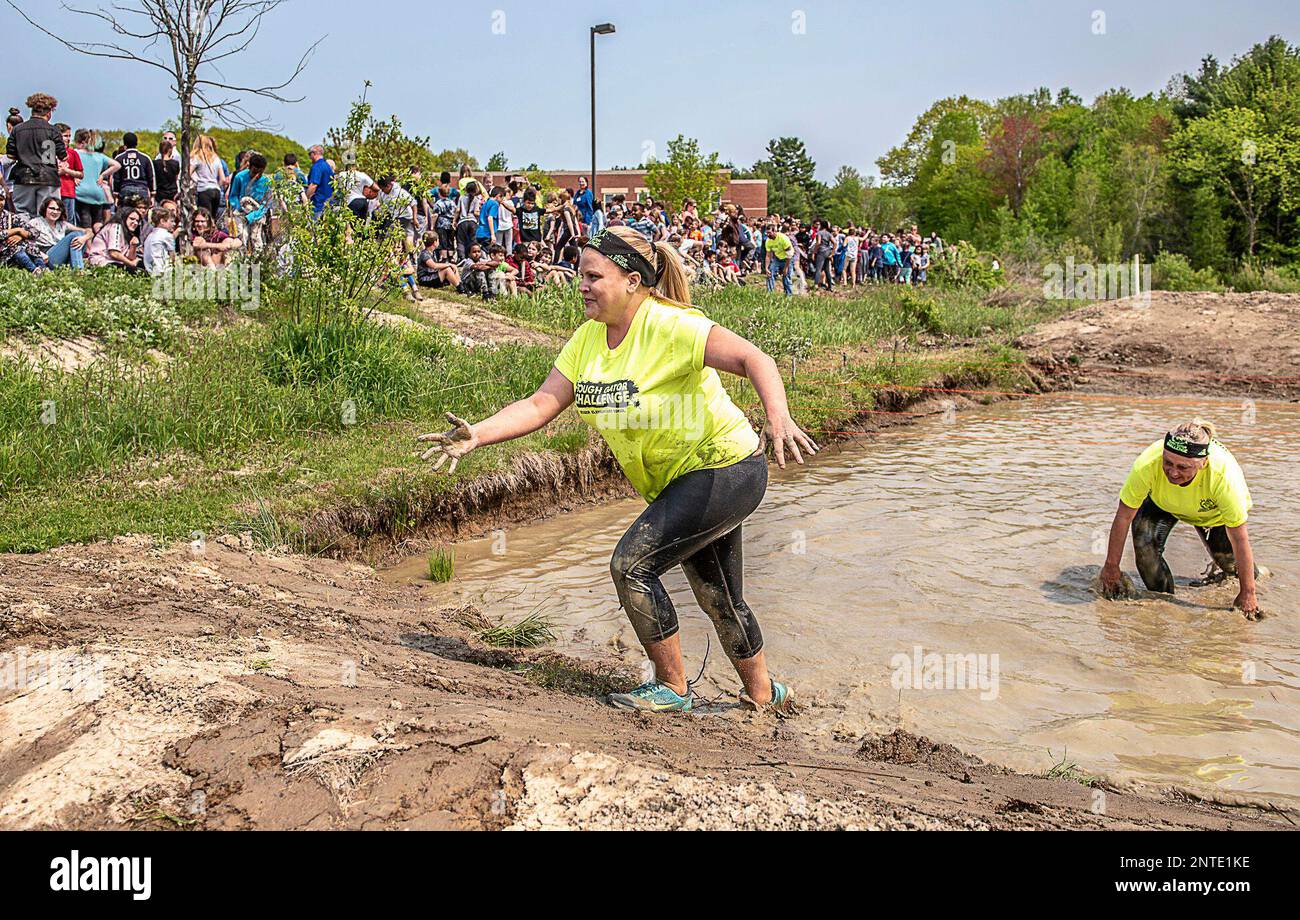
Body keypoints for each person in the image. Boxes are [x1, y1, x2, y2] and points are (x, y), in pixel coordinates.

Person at [417, 226, 817, 714]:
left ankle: (671, 689)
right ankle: (766, 696)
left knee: (632, 566)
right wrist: (478, 433)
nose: (581, 285)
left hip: (727, 467)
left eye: (592, 276)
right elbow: (543, 402)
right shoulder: (587, 340)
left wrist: (778, 416)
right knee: (719, 597)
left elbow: (755, 358)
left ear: (632, 280)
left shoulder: (671, 325)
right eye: (579, 275)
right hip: (679, 480)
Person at [1099, 419, 1260, 616]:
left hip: (1210, 515)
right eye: (1168, 463)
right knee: (1144, 547)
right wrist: (1111, 567)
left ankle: (1256, 576)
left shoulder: (1224, 479)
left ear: (1203, 463)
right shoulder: (1148, 464)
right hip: (1162, 504)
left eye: (1183, 467)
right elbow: (1123, 517)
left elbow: (1240, 539)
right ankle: (1163, 607)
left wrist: (1248, 593)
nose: (1173, 473)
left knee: (1232, 568)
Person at [6, 93, 67, 216]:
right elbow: (63, 156)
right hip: (48, 178)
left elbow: (11, 155)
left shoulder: (18, 129)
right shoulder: (53, 130)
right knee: (47, 216)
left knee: (22, 215)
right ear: (49, 112)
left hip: (23, 177)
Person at [71, 129, 118, 229]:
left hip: (81, 192)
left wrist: (74, 176)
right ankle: (99, 240)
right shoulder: (99, 156)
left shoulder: (76, 153)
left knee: (85, 223)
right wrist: (103, 175)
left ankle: (88, 244)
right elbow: (117, 165)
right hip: (97, 193)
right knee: (97, 222)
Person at [30, 197, 90, 269]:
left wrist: (84, 238)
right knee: (76, 235)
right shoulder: (35, 222)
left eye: (58, 210)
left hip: (60, 256)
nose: (55, 212)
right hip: (47, 257)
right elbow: (25, 240)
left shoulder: (62, 224)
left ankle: (76, 268)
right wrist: (39, 253)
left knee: (80, 235)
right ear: (45, 209)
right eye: (52, 208)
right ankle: (78, 270)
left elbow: (88, 231)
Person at [0, 185, 46, 272]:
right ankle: (33, 270)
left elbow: (35, 232)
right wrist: (17, 230)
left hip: (13, 253)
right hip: (3, 254)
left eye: (1, 199)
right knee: (14, 247)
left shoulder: (10, 216)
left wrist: (21, 236)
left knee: (29, 243)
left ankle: (42, 268)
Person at [86, 206, 144, 271]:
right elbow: (114, 253)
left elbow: (130, 258)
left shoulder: (128, 233)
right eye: (132, 219)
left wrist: (133, 246)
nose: (135, 223)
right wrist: (131, 264)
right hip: (102, 262)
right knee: (136, 271)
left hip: (116, 262)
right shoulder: (115, 227)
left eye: (137, 221)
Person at [191, 134, 228, 219]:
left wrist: (196, 180)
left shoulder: (197, 157)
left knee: (204, 218)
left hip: (204, 190)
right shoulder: (216, 158)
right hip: (216, 191)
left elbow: (188, 173)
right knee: (213, 219)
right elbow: (222, 179)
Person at [114, 132, 155, 205]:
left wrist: (116, 193)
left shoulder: (119, 158)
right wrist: (152, 193)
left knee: (126, 213)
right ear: (136, 143)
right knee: (141, 212)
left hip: (125, 189)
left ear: (124, 144)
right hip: (142, 189)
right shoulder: (145, 158)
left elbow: (116, 178)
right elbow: (151, 177)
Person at [141, 206, 178, 275]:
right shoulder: (167, 235)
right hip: (163, 271)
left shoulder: (149, 236)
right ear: (162, 221)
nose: (174, 224)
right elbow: (172, 256)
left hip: (149, 270)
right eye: (172, 221)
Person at [764, 223, 794, 295]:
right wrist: (766, 268)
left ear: (774, 231)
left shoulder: (783, 238)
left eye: (769, 233)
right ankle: (770, 294)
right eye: (767, 233)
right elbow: (768, 255)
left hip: (787, 259)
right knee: (770, 273)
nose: (767, 235)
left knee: (786, 276)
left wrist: (786, 268)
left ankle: (788, 295)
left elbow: (789, 254)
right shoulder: (768, 241)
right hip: (777, 258)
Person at [304, 144, 334, 217]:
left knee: (314, 227)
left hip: (318, 206)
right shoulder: (327, 166)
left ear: (313, 154)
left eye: (309, 154)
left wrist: (306, 199)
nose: (309, 157)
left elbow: (313, 185)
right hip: (328, 204)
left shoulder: (317, 166)